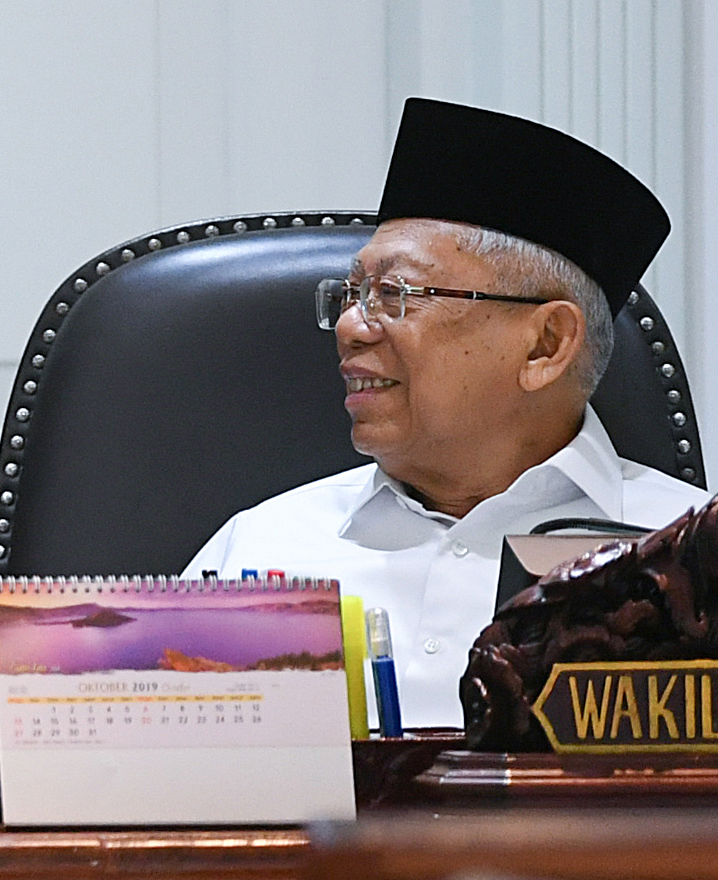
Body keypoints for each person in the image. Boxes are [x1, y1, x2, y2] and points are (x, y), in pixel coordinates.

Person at [185, 98, 708, 729]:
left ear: (545, 345)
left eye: (395, 294)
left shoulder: (692, 563)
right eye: (352, 294)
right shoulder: (258, 553)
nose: (350, 326)